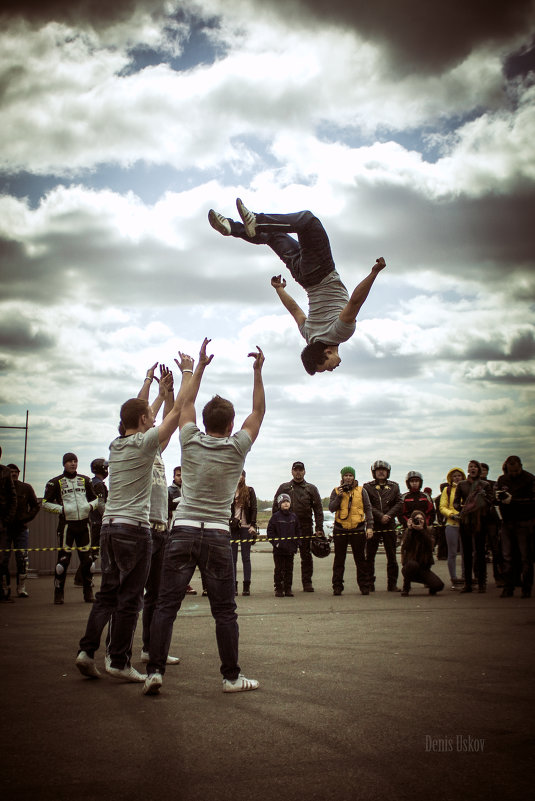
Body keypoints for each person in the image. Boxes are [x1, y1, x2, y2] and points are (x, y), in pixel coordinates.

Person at [143, 341, 266, 696]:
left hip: (182, 529)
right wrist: (257, 371)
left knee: (166, 603)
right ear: (230, 424)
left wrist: (198, 366)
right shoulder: (238, 446)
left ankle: (155, 671)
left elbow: (186, 404)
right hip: (214, 534)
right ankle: (230, 678)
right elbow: (258, 411)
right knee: (225, 610)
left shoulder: (189, 440)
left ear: (206, 422)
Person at [75, 349, 196, 682]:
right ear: (144, 422)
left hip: (109, 529)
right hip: (134, 530)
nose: (153, 418)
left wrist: (150, 386)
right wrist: (188, 372)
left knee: (106, 594)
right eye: (149, 417)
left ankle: (86, 650)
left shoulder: (116, 444)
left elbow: (141, 412)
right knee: (130, 599)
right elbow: (174, 412)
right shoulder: (146, 444)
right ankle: (118, 660)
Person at [208, 200, 385, 374]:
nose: (332, 369)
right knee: (272, 235)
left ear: (327, 352)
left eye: (327, 367)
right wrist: (280, 289)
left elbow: (355, 302)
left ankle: (257, 220)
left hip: (320, 270)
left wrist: (373, 273)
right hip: (302, 276)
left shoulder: (341, 333)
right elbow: (295, 310)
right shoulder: (309, 335)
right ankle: (232, 228)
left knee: (308, 221)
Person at [42, 453, 99, 605]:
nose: (73, 464)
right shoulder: (56, 482)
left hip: (84, 524)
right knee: (63, 562)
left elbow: (96, 499)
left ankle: (88, 592)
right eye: (69, 461)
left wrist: (89, 507)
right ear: (64, 464)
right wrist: (62, 510)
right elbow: (45, 503)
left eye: (75, 461)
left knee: (88, 561)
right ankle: (58, 593)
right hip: (67, 525)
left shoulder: (85, 480)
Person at [272, 461, 324, 592]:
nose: (298, 472)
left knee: (306, 556)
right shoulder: (284, 487)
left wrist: (319, 528)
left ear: (304, 472)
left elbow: (318, 510)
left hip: (305, 526)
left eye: (301, 470)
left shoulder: (311, 488)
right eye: (296, 470)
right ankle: (284, 584)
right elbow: (275, 508)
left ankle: (307, 583)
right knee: (286, 557)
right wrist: (276, 527)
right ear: (292, 471)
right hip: (287, 528)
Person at [329, 467, 373, 596]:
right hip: (340, 529)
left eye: (350, 475)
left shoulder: (361, 491)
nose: (348, 478)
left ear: (354, 477)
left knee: (360, 560)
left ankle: (364, 586)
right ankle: (337, 586)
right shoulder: (336, 491)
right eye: (346, 475)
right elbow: (331, 508)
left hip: (357, 529)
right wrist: (339, 497)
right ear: (342, 477)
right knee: (339, 560)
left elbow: (368, 509)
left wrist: (369, 526)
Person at [495, 455, 535, 599]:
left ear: (520, 467)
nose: (513, 474)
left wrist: (514, 500)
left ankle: (526, 587)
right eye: (511, 471)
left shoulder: (529, 479)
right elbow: (495, 497)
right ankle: (508, 587)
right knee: (507, 556)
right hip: (507, 521)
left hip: (525, 521)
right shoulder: (502, 480)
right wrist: (498, 497)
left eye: (516, 471)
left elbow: (533, 500)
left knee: (526, 557)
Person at [453, 460, 493, 593]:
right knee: (467, 553)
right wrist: (462, 508)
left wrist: (479, 502)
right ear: (468, 469)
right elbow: (456, 503)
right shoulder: (462, 484)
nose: (473, 469)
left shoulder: (485, 485)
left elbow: (490, 501)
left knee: (480, 553)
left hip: (480, 521)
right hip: (465, 521)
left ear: (479, 470)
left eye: (475, 467)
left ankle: (482, 583)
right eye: (471, 467)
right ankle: (468, 584)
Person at [363, 460, 403, 591]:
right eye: (378, 470)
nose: (381, 472)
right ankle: (369, 583)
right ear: (374, 472)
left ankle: (392, 584)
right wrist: (380, 516)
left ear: (388, 472)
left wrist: (389, 515)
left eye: (383, 470)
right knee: (370, 556)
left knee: (391, 555)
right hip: (374, 524)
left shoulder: (394, 487)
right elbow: (367, 505)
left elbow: (399, 503)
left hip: (389, 524)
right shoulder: (367, 487)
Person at [2, 464, 40, 598]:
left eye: (15, 472)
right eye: (10, 472)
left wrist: (27, 517)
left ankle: (21, 587)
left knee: (22, 558)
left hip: (21, 529)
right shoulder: (3, 489)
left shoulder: (26, 488)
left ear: (19, 473)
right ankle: (5, 587)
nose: (13, 474)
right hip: (5, 529)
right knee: (3, 559)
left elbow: (36, 506)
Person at [74, 456, 109, 587]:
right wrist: (107, 517)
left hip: (89, 520)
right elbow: (100, 504)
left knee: (89, 551)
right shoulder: (98, 484)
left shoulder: (90, 483)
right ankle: (82, 578)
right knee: (93, 552)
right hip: (97, 523)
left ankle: (80, 577)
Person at [167, 465, 197, 596]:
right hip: (173, 527)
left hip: (187, 527)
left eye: (183, 475)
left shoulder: (189, 490)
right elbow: (166, 507)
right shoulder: (169, 490)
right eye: (178, 475)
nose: (181, 478)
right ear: (174, 476)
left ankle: (184, 583)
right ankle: (173, 584)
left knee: (186, 558)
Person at [400, 511, 445, 597]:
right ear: (412, 520)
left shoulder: (429, 530)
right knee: (412, 564)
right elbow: (405, 546)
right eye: (417, 519)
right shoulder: (408, 531)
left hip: (424, 568)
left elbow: (430, 545)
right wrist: (410, 530)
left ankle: (430, 585)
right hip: (409, 567)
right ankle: (406, 587)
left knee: (439, 585)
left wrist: (421, 531)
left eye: (421, 519)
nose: (419, 521)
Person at [267, 493, 300, 597]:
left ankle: (288, 588)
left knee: (289, 569)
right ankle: (279, 588)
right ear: (279, 504)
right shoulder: (275, 517)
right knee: (279, 569)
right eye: (283, 502)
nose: (286, 504)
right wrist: (276, 543)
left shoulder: (294, 517)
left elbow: (298, 531)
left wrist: (297, 543)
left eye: (287, 502)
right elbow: (270, 532)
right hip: (279, 550)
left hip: (290, 549)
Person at [230, 470, 258, 596]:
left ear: (244, 477)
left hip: (246, 527)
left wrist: (253, 525)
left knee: (246, 557)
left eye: (241, 474)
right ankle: (233, 586)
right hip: (234, 527)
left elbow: (254, 508)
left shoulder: (249, 491)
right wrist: (231, 520)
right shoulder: (229, 490)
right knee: (233, 558)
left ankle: (246, 585)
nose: (239, 477)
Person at [439, 468, 466, 589]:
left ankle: (466, 577)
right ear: (450, 477)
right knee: (452, 553)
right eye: (454, 476)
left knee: (467, 553)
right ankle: (454, 578)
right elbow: (442, 506)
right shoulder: (447, 490)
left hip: (466, 523)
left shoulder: (467, 488)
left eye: (459, 475)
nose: (457, 478)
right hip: (451, 524)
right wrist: (451, 515)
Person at [0, 446, 17, 603]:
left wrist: (7, 520)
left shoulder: (5, 472)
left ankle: (4, 591)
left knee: (3, 559)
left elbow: (13, 498)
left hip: (2, 524)